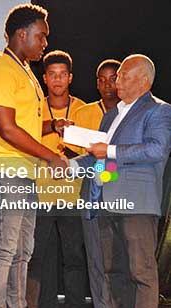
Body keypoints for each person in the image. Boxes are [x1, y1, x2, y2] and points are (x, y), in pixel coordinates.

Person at [0, 4, 70, 308]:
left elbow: (23, 124)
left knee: (22, 250)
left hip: (23, 172)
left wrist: (52, 125)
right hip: (3, 170)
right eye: (41, 37)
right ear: (21, 34)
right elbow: (7, 129)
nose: (45, 43)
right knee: (4, 248)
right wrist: (50, 157)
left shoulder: (24, 70)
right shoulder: (2, 68)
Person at [70, 54, 171, 308]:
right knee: (112, 272)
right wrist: (70, 166)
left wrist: (111, 151)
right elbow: (101, 157)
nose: (117, 80)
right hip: (106, 201)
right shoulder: (112, 114)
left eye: (124, 75)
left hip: (137, 204)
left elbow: (157, 150)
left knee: (141, 272)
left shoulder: (159, 110)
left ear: (144, 80)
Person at [27, 49, 89, 308]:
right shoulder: (33, 109)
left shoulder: (84, 110)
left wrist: (72, 155)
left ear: (71, 78)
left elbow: (96, 155)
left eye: (63, 74)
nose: (57, 80)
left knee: (74, 258)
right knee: (36, 258)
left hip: (72, 198)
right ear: (44, 79)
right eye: (52, 75)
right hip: (39, 196)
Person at [71, 59, 120, 308]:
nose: (107, 84)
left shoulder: (130, 113)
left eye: (113, 78)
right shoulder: (84, 113)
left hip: (122, 195)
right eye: (101, 79)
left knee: (120, 261)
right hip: (92, 194)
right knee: (96, 260)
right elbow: (82, 156)